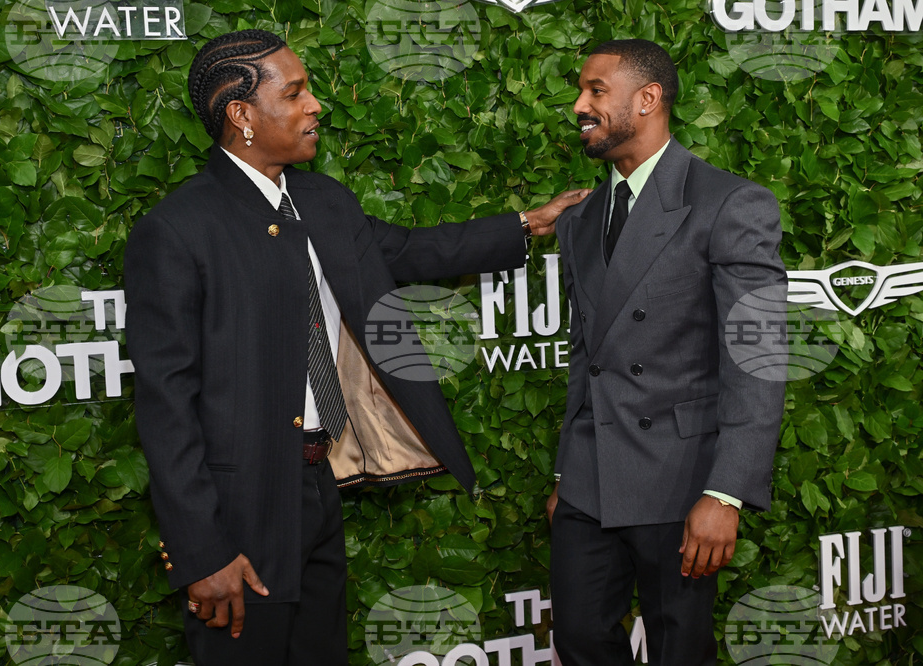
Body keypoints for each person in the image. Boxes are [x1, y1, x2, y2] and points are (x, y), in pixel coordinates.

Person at [123, 29, 588, 665]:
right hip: (237, 512)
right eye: (295, 92)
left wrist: (526, 225)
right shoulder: (176, 231)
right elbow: (165, 405)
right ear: (242, 116)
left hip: (317, 486)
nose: (317, 105)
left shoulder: (322, 201)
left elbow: (408, 251)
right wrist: (201, 550)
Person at [547, 39, 786, 664]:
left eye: (596, 91)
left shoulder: (730, 203)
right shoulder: (581, 218)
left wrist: (726, 493)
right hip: (589, 480)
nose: (580, 105)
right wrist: (565, 471)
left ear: (648, 99)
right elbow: (586, 357)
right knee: (577, 639)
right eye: (582, 91)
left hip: (680, 482)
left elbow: (756, 361)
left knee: (680, 651)